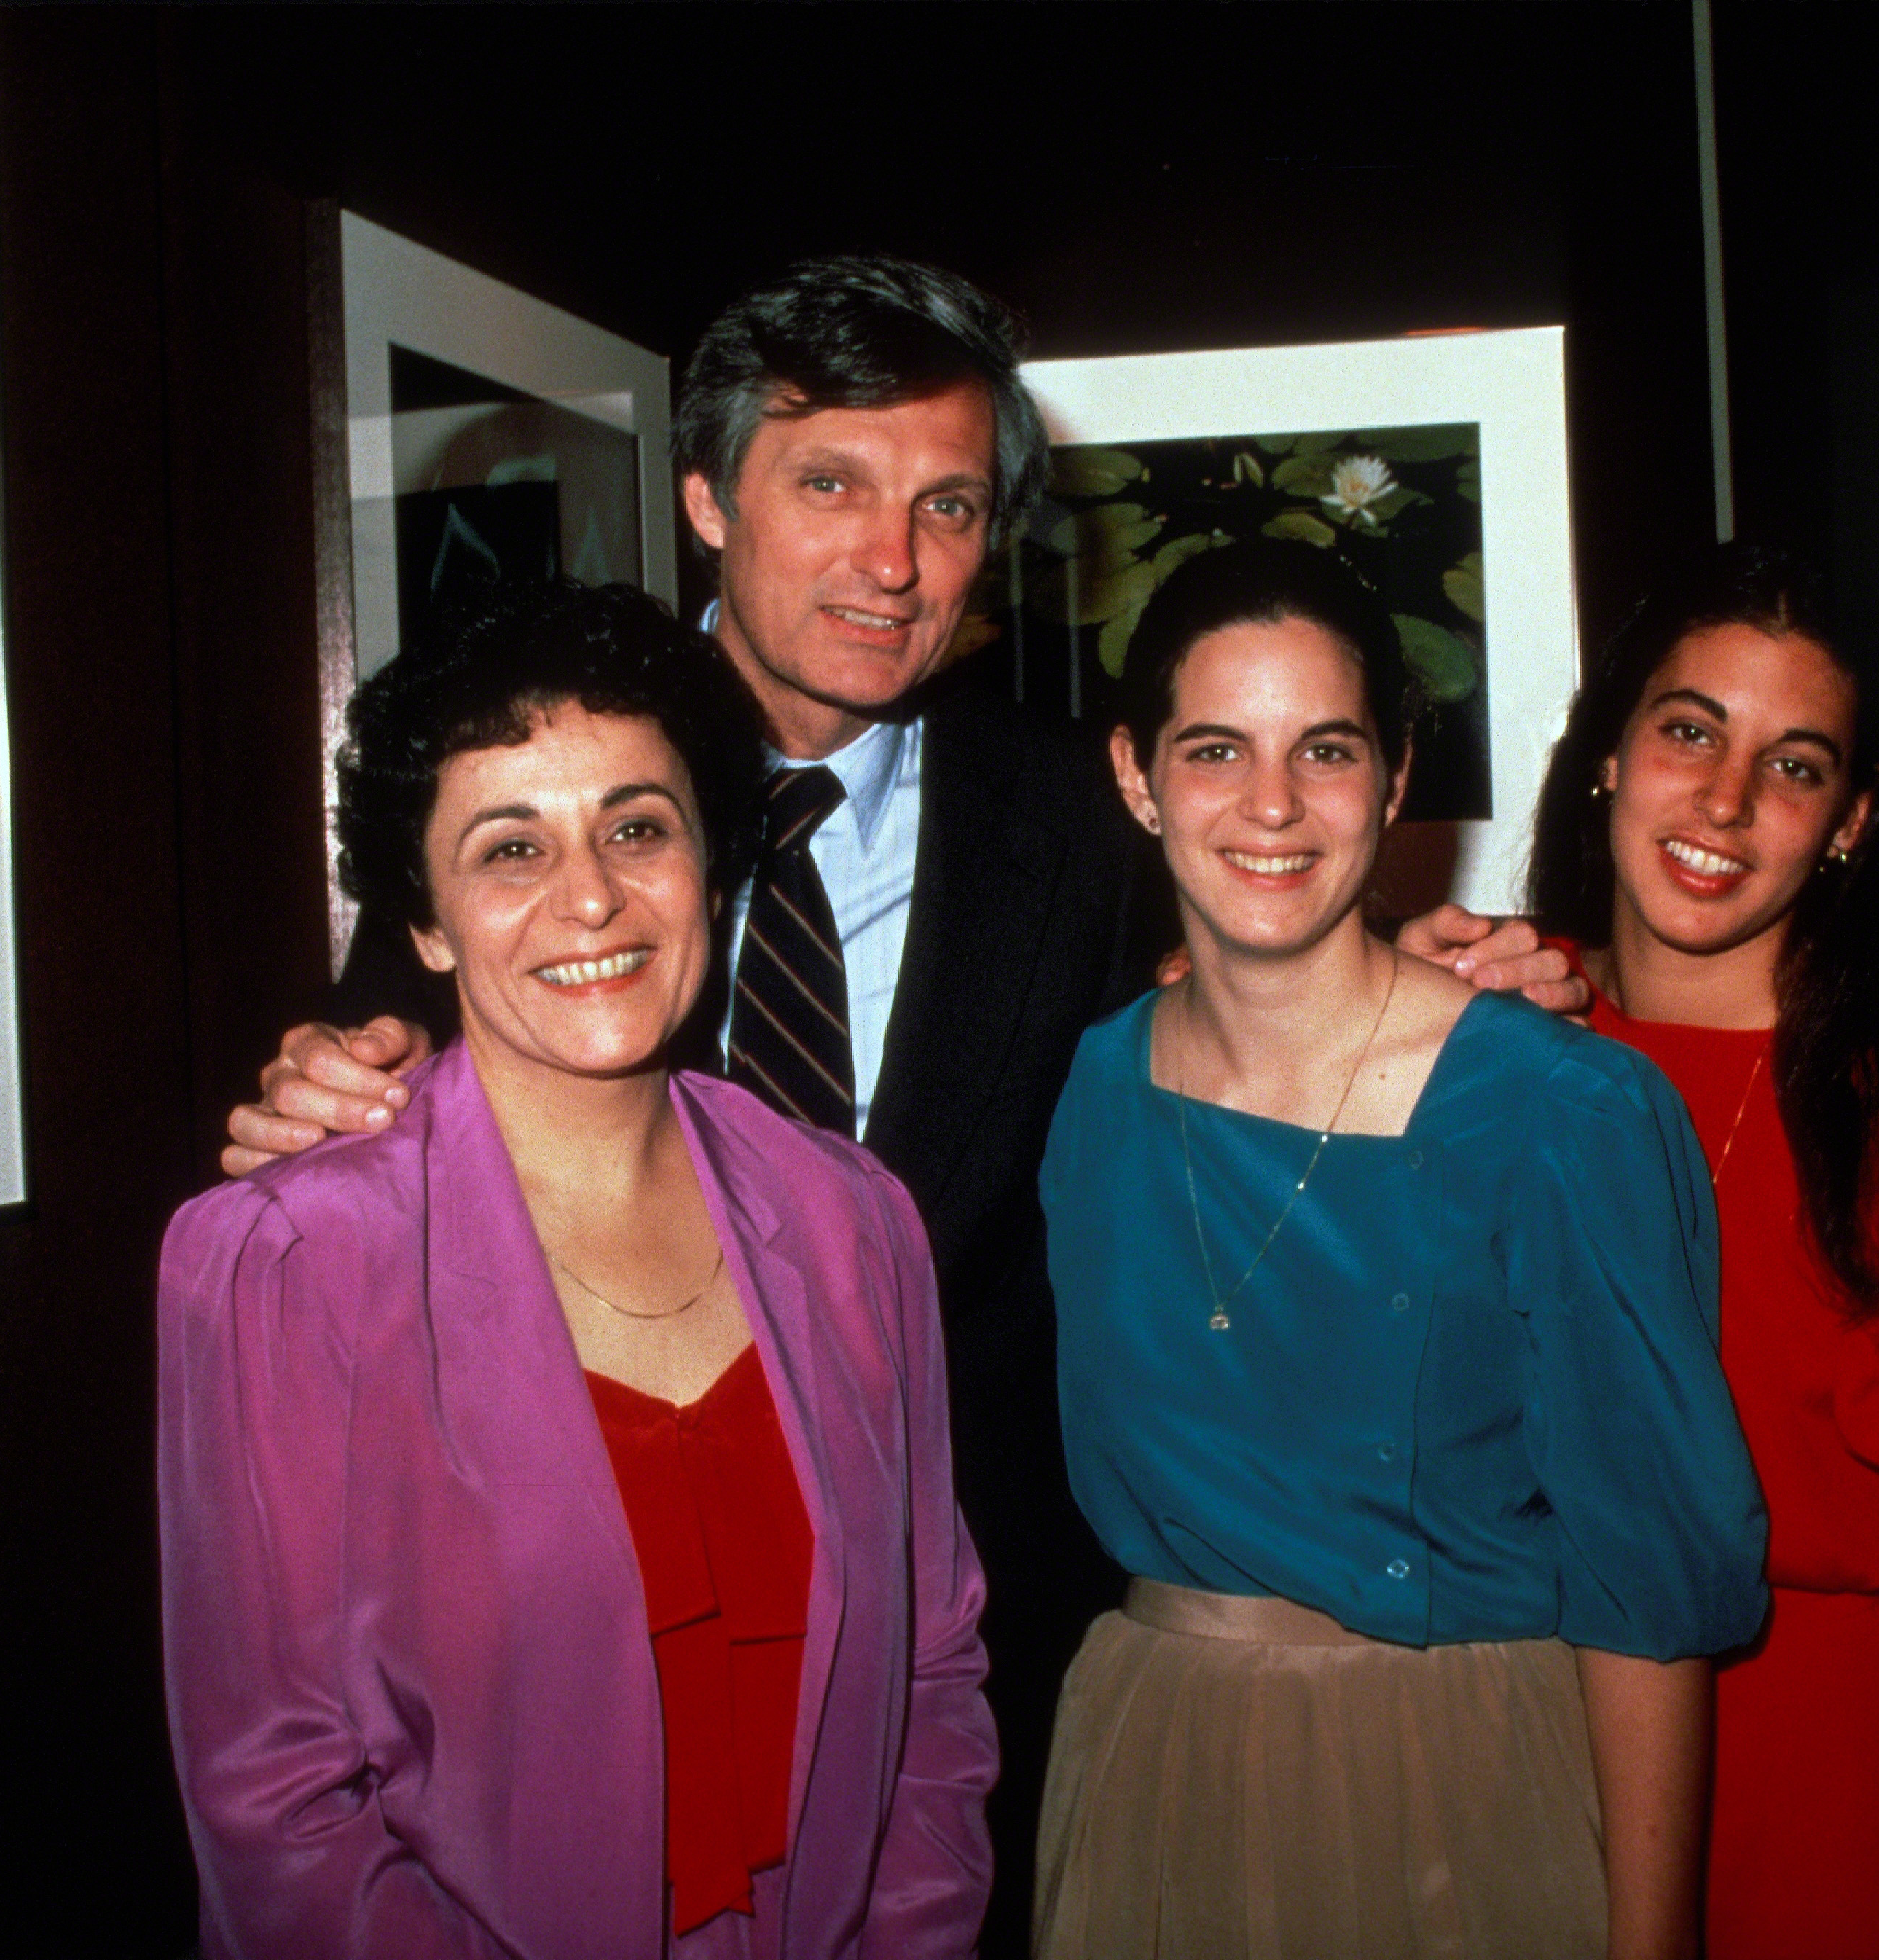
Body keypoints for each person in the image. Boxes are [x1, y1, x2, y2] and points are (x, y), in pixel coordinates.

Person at [218, 255, 1582, 1955]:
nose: (891, 560)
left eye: (945, 504)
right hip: (545, 1710)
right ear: (707, 496)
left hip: (937, 1698)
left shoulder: (1079, 829)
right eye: (830, 484)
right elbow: (386, 1106)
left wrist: (1449, 975)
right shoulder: (539, 786)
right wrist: (327, 1089)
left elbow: (1265, 1004)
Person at [158, 578, 995, 1957]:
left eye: (637, 828)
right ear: (425, 922)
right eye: (508, 849)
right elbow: (279, 1799)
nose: (591, 894)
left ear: (712, 872)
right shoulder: (283, 1262)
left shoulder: (855, 1218)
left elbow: (932, 1673)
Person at [1035, 540, 1766, 1960]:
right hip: (1149, 1769)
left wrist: (1651, 1940)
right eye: (1211, 750)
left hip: (1457, 1775)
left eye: (1323, 748)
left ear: (1393, 774)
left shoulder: (1565, 1108)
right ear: (1134, 775)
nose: (1268, 806)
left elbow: (1646, 1594)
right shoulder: (1088, 1087)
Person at [1523, 544, 1879, 1960]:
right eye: (1687, 729)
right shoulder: (1492, 1035)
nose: (1721, 798)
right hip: (1522, 1747)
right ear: (1608, 750)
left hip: (1812, 1769)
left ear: (1847, 821)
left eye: (1792, 764)